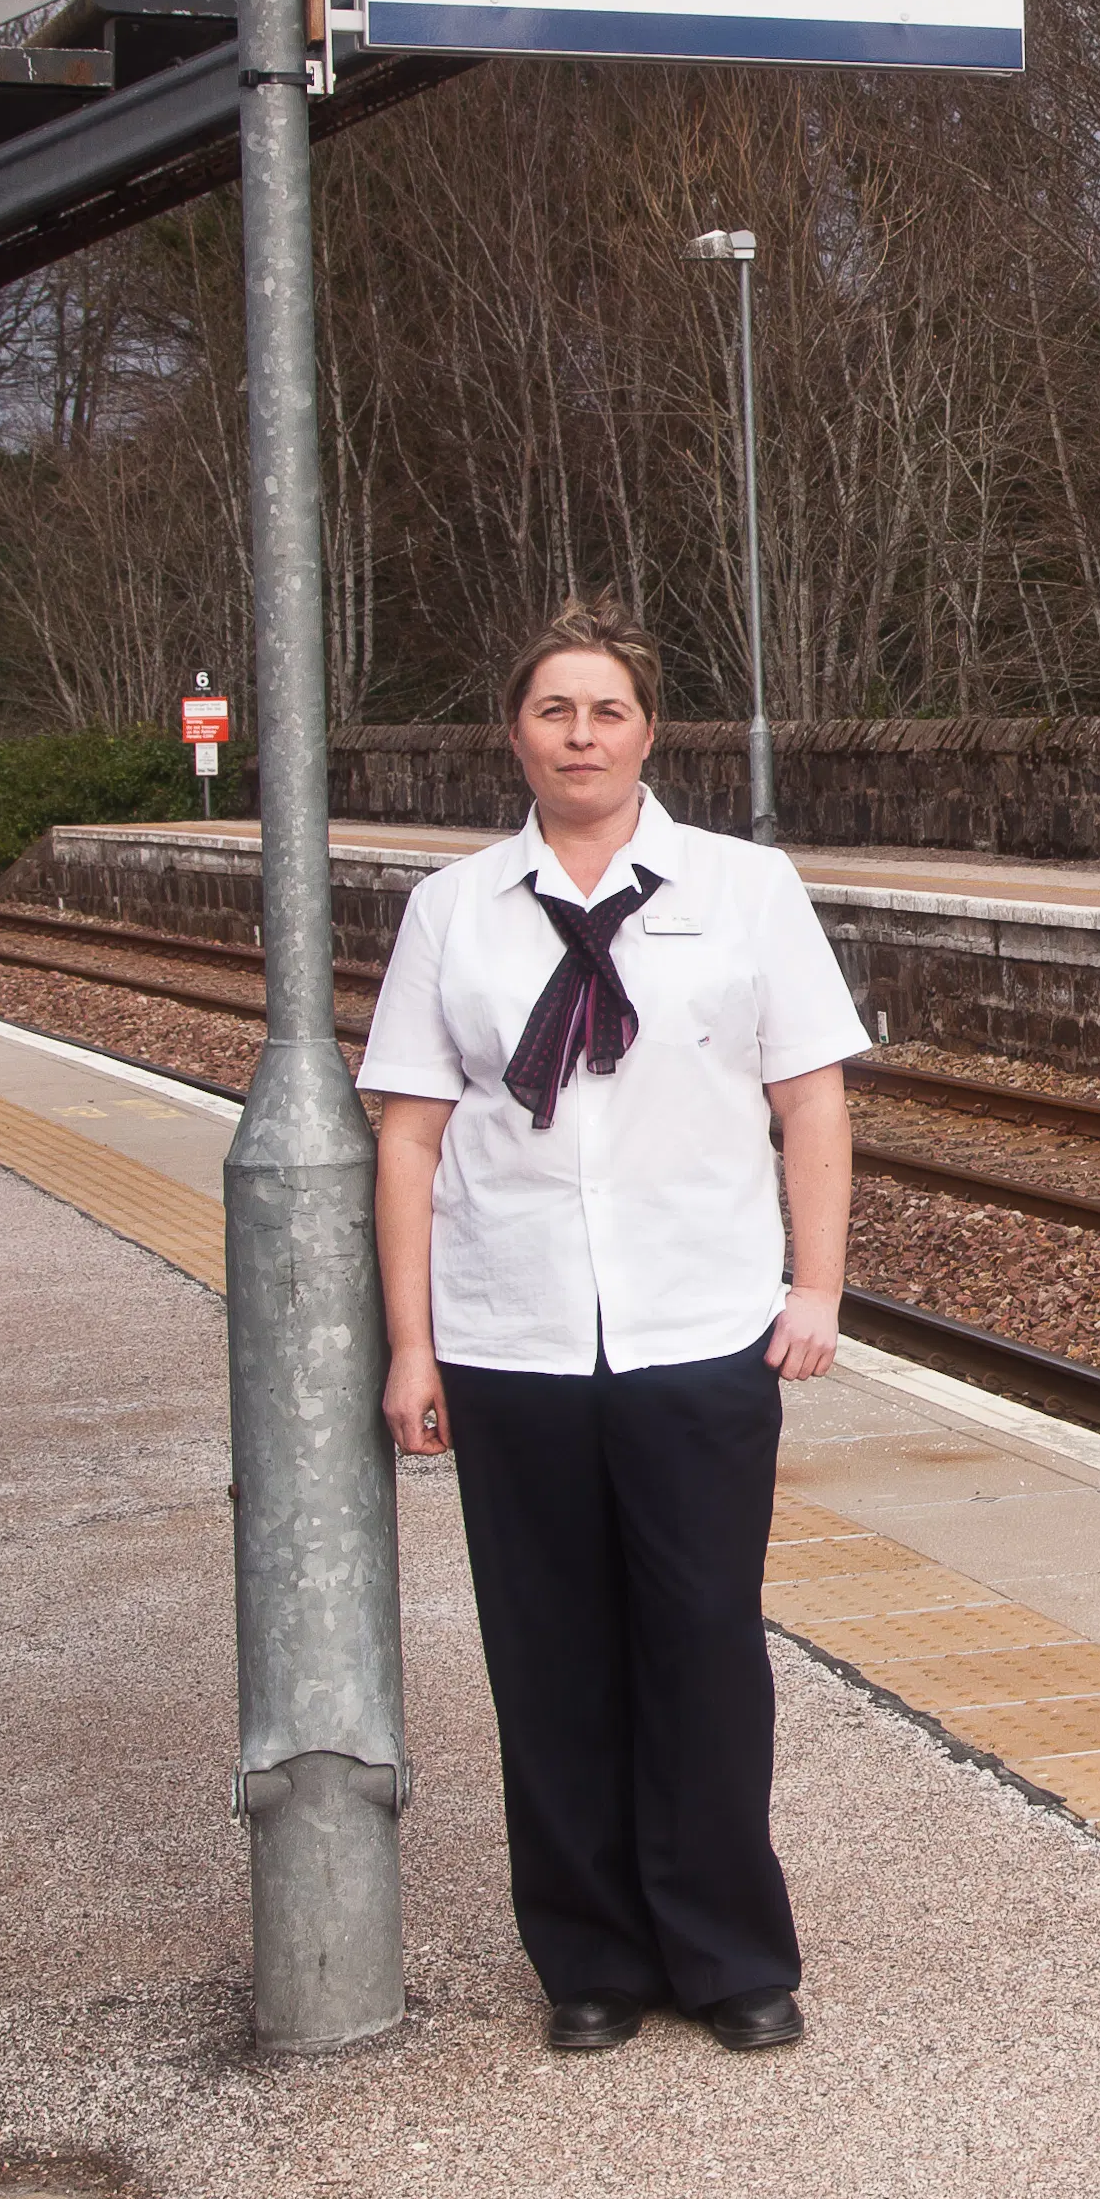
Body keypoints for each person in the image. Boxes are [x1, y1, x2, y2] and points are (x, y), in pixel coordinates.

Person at [360, 605, 866, 2055]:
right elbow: (408, 1133)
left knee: (706, 1644)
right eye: (553, 710)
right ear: (514, 733)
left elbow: (811, 1099)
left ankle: (728, 1952)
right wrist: (412, 1343)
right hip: (512, 1332)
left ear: (650, 732)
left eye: (608, 710)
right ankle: (587, 1954)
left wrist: (813, 1288)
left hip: (700, 1326)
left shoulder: (745, 887)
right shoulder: (452, 908)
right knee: (550, 1652)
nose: (581, 734)